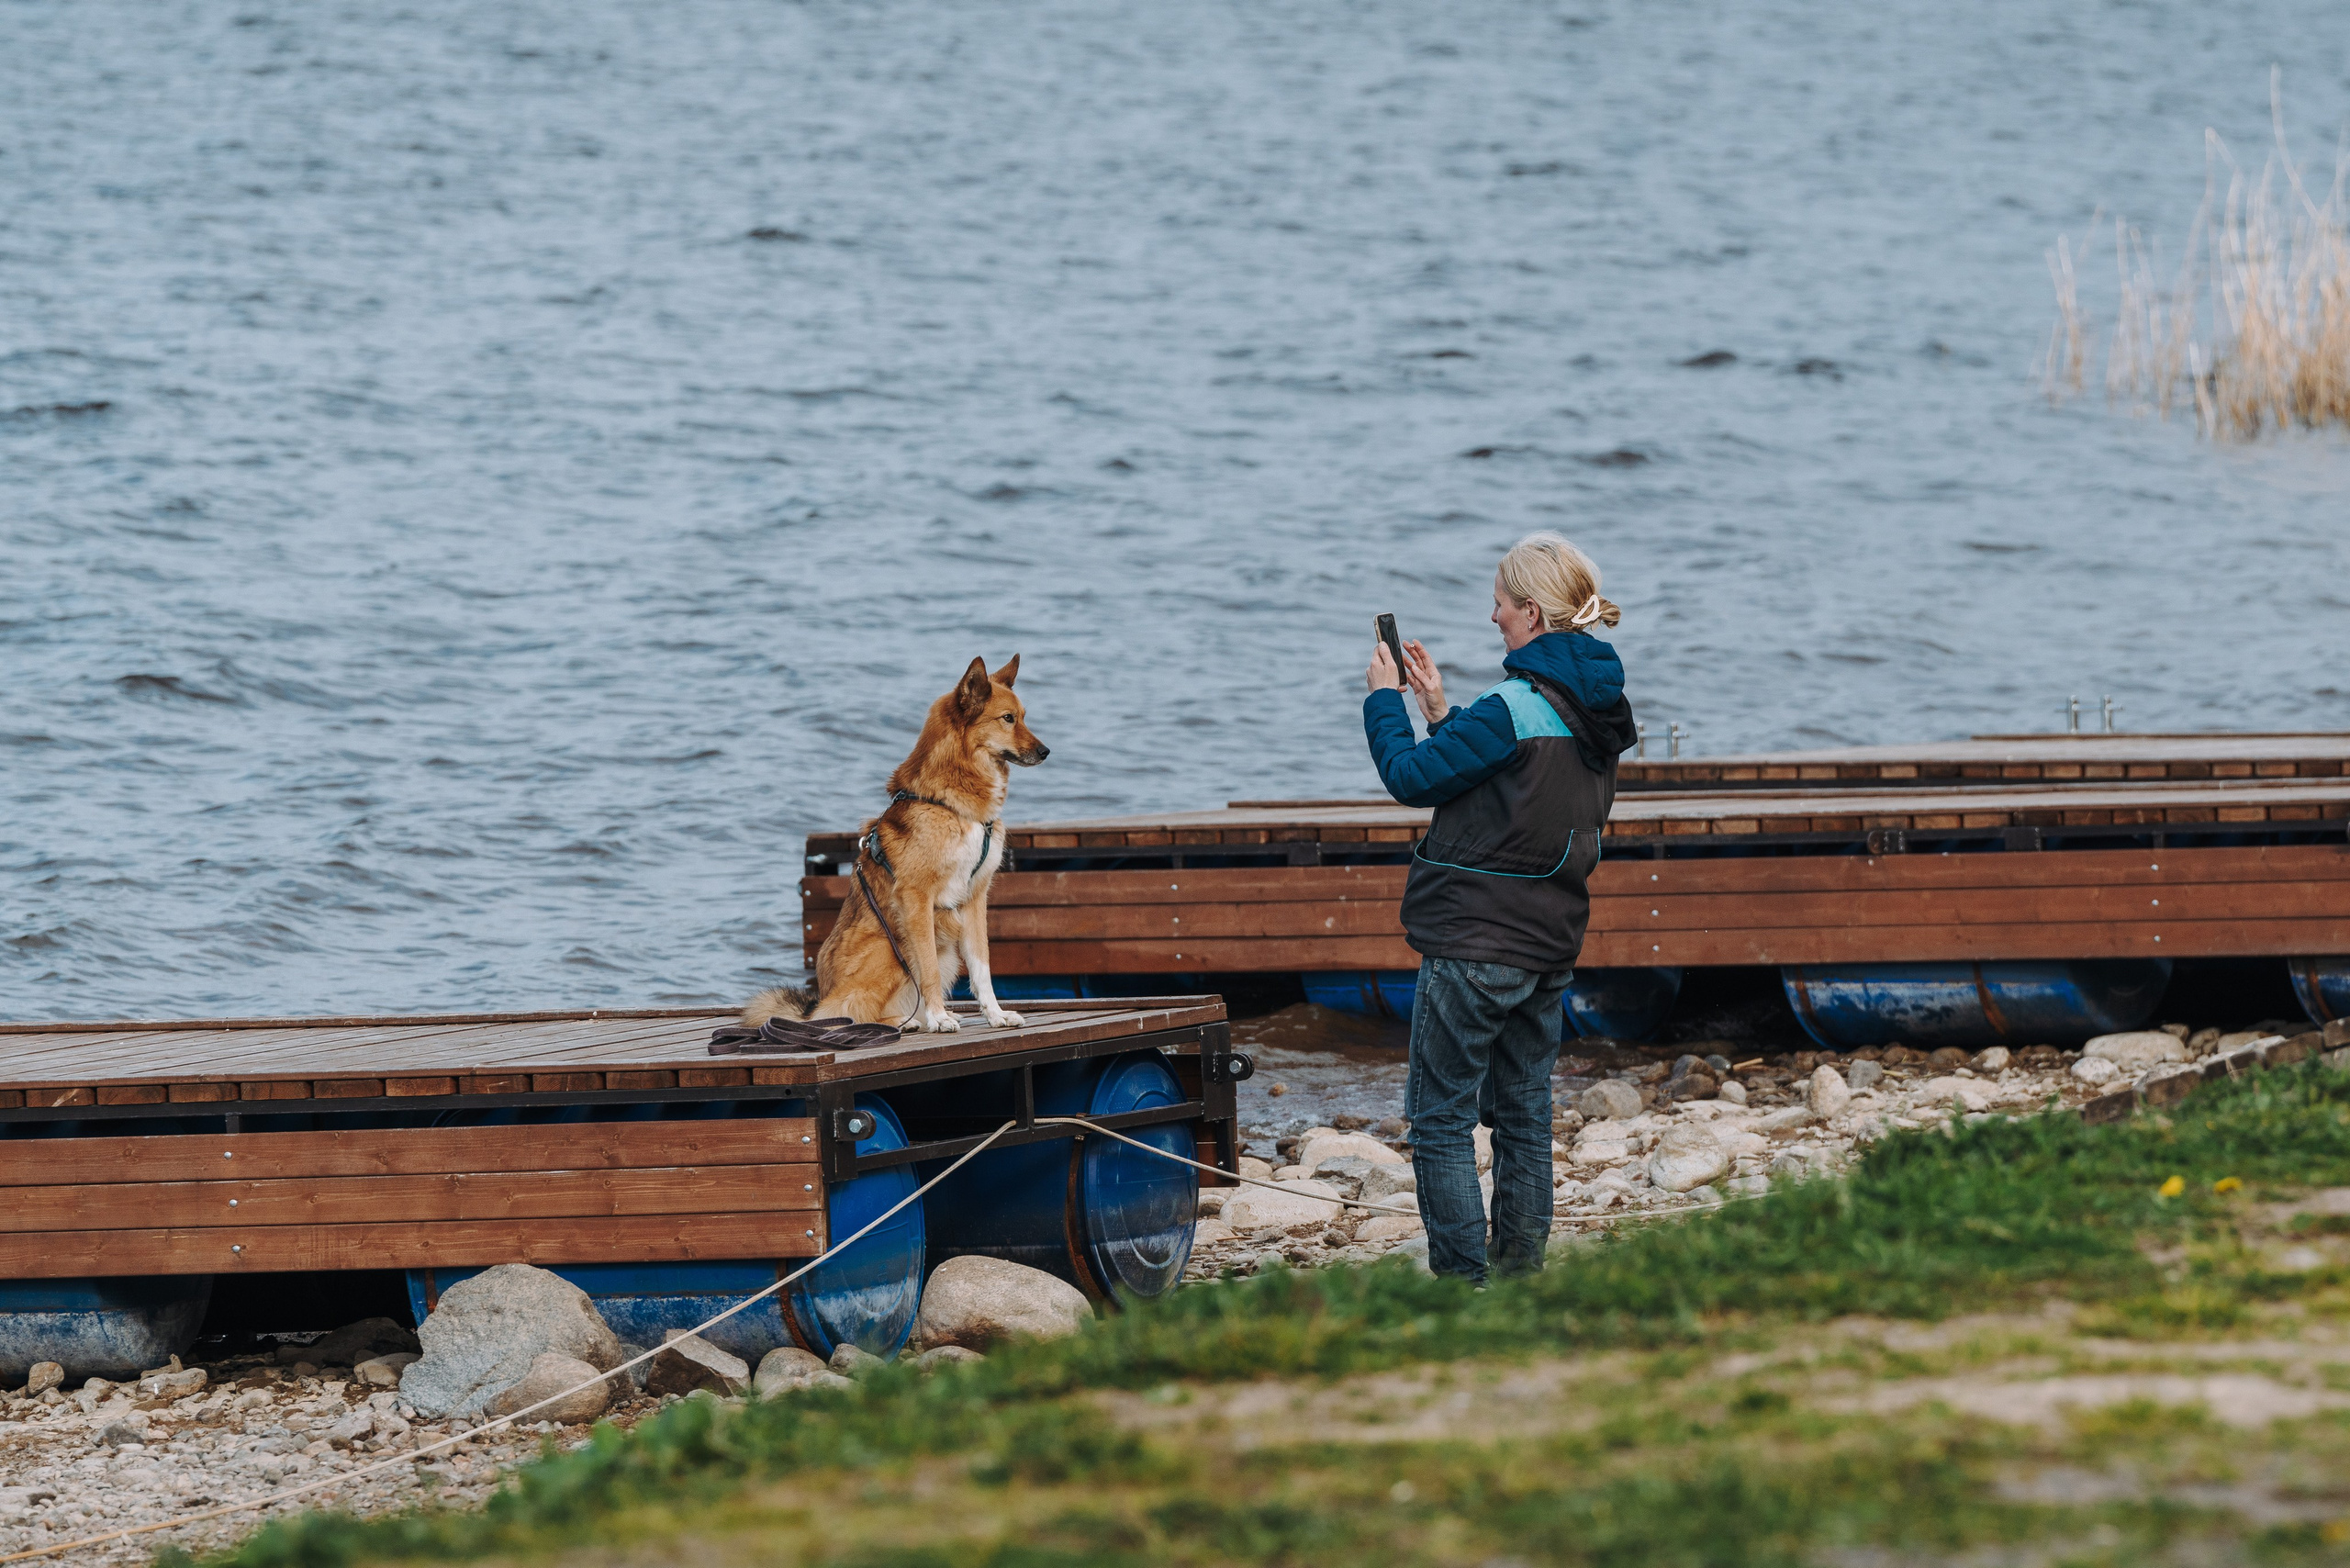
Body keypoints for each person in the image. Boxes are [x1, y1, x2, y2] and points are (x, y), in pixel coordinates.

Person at [1361, 532, 1638, 1282]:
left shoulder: (1512, 707)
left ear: (1536, 617)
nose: (1494, 619)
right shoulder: (1598, 710)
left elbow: (1412, 778)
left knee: (1441, 1118)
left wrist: (1385, 702)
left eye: (1502, 605)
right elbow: (1514, 793)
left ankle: (1463, 1289)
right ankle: (1519, 1280)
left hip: (1475, 944)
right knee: (1523, 1117)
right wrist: (1443, 709)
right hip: (1548, 945)